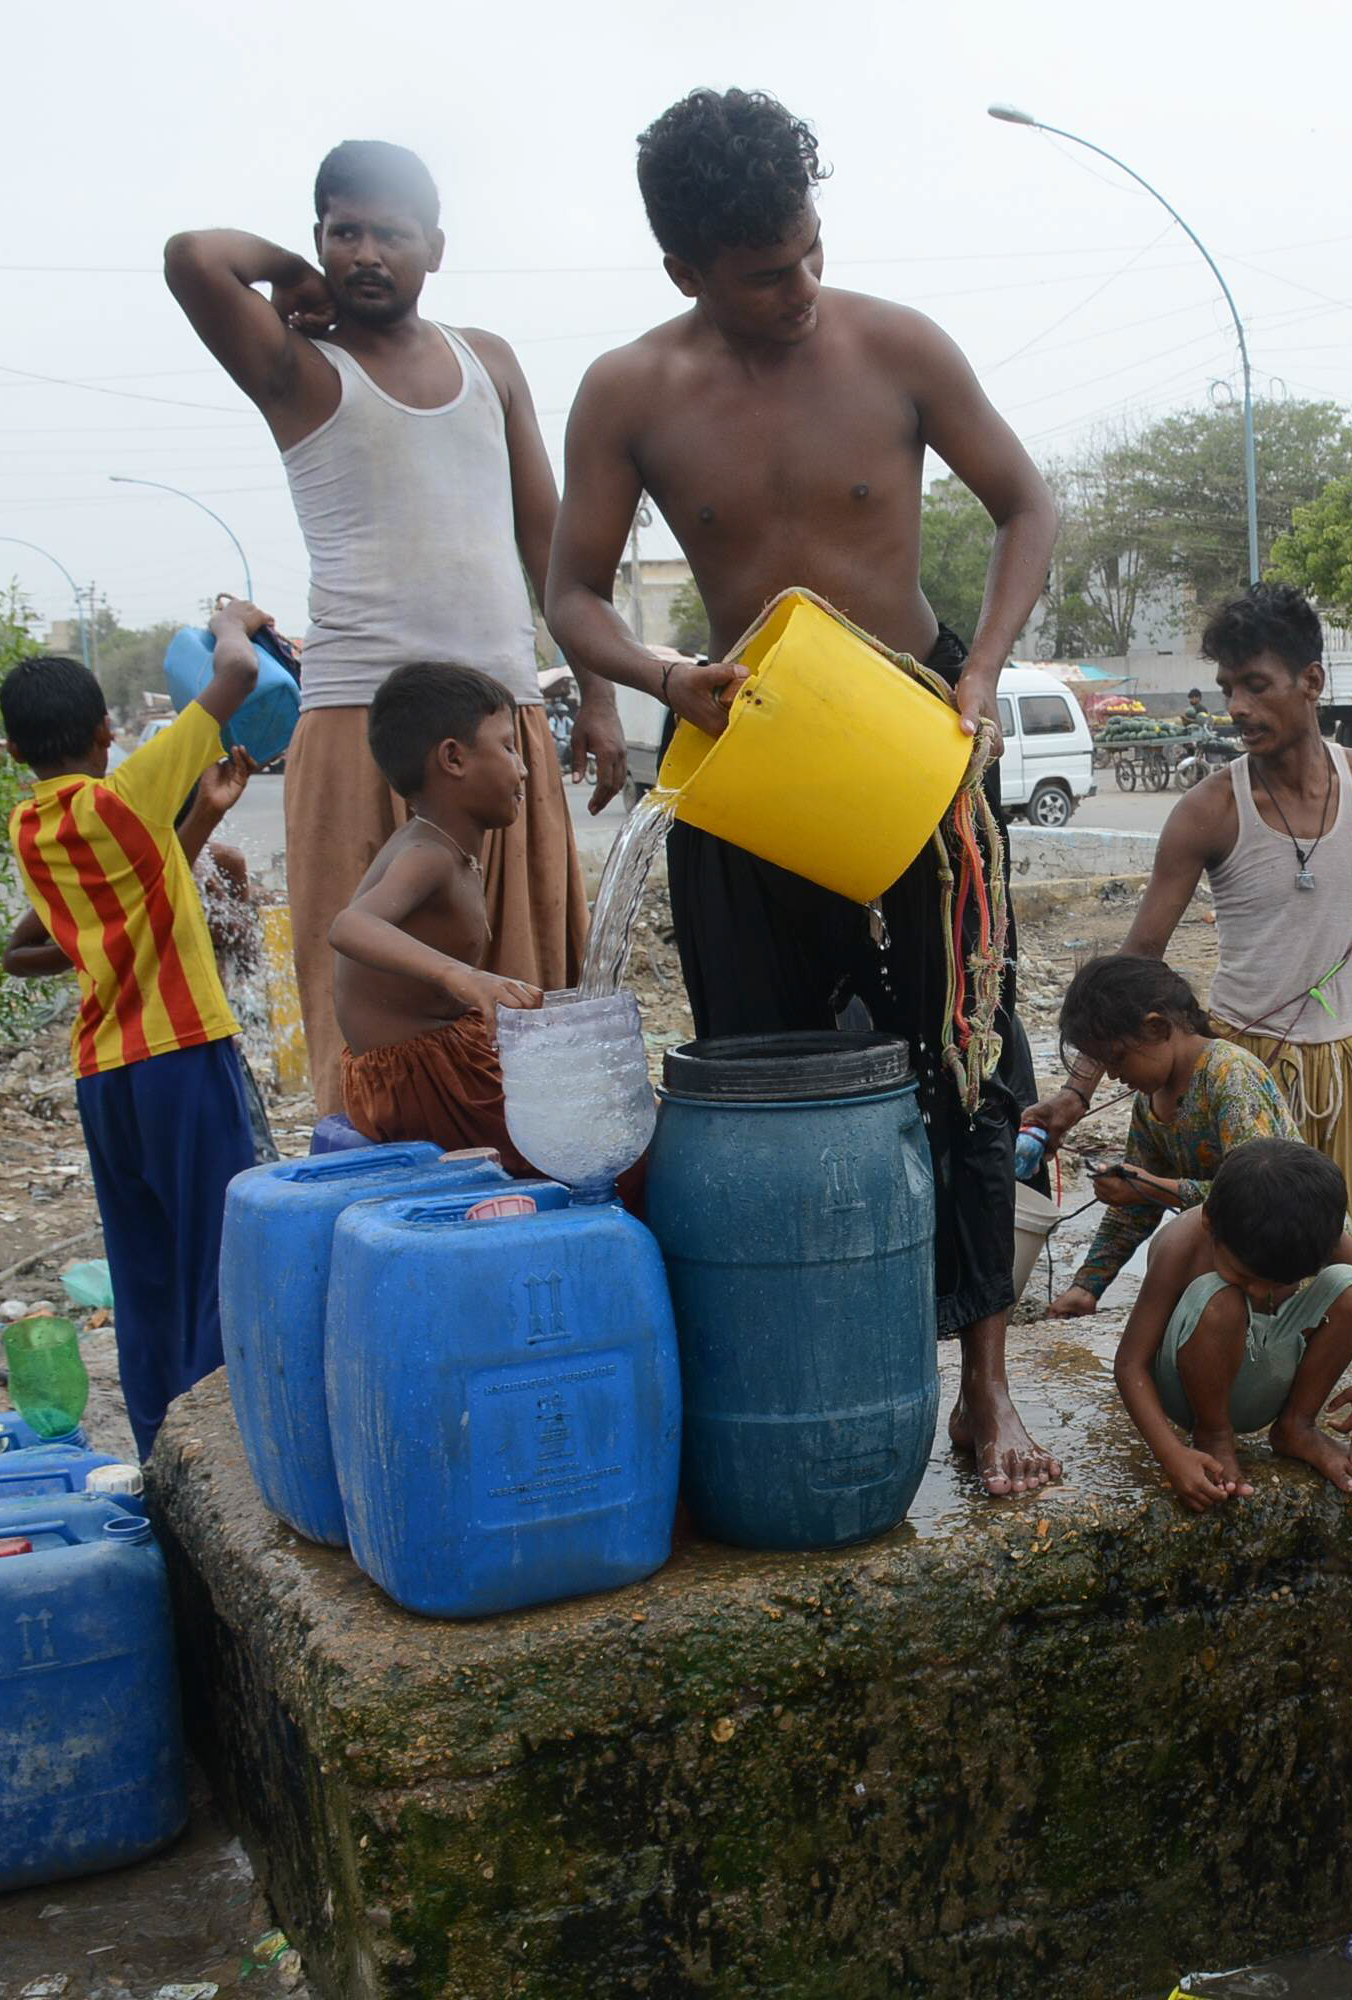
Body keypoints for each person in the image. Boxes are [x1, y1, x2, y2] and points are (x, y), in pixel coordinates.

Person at [544, 89, 1063, 1496]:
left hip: (915, 730)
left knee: (967, 1050)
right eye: (766, 272)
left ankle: (987, 1391)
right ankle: (821, 1368)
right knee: (767, 1073)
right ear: (686, 272)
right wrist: (661, 674)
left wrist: (982, 682)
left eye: (810, 252)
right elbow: (571, 594)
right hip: (744, 743)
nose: (800, 289)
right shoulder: (630, 393)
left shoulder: (894, 348)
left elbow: (1029, 504)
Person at [164, 141, 610, 1122]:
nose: (365, 252)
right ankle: (372, 1202)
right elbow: (193, 257)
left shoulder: (487, 359)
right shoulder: (295, 367)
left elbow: (551, 544)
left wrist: (602, 696)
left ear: (434, 247)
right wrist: (286, 272)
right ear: (320, 239)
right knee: (363, 1001)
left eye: (390, 233)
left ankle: (540, 1193)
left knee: (530, 991)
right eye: (343, 232)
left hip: (503, 717)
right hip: (360, 723)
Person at [1027, 584, 1352, 1309]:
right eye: (1229, 689)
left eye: (1256, 686)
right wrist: (1077, 1091)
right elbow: (1140, 960)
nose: (1238, 709)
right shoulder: (1209, 809)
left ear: (1312, 681)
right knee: (1242, 1283)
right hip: (1239, 1067)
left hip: (1343, 1073)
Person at [0, 601, 270, 1457]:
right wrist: (233, 620)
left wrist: (204, 818)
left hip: (103, 1075)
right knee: (221, 1259)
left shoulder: (30, 826)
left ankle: (163, 1450)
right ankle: (220, 1453)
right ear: (108, 731)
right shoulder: (128, 792)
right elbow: (239, 677)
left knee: (146, 1271)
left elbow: (121, 908)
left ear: (13, 752)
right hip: (181, 1058)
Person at [328, 664, 548, 1177]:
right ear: (453, 758)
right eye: (508, 747)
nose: (523, 770)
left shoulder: (451, 849)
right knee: (583, 1148)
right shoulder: (427, 854)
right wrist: (463, 976)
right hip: (416, 1080)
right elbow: (349, 927)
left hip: (440, 1054)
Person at [1110, 1138, 1352, 1511]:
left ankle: (1297, 1426)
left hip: (1265, 1371)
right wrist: (1171, 1454)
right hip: (1191, 1391)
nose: (1261, 1292)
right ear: (1209, 1222)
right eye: (1246, 1276)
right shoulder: (1183, 1244)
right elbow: (1130, 1363)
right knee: (1224, 1300)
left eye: (1280, 1284)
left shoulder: (1302, 1225)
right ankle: (1214, 1435)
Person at [1043, 955, 1296, 1319]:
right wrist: (1087, 1286)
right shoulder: (1149, 1101)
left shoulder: (1229, 1076)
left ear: (1157, 1028)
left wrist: (1154, 1188)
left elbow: (1259, 1195)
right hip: (1238, 1258)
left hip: (1290, 1258)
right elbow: (1131, 1210)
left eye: (1117, 1059)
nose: (1113, 1076)